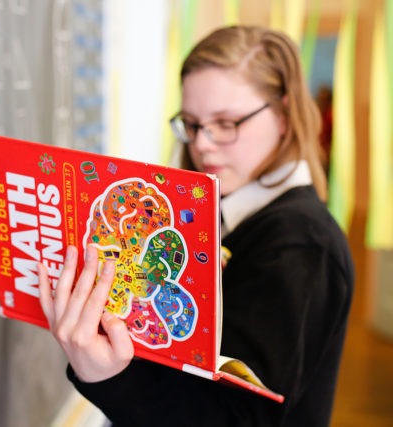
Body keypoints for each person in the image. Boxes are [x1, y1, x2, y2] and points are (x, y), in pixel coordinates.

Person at [37, 25, 354, 426]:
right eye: (191, 122)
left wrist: (111, 377)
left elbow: (238, 419)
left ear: (285, 117)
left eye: (226, 123)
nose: (201, 143)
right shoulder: (215, 215)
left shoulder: (302, 245)